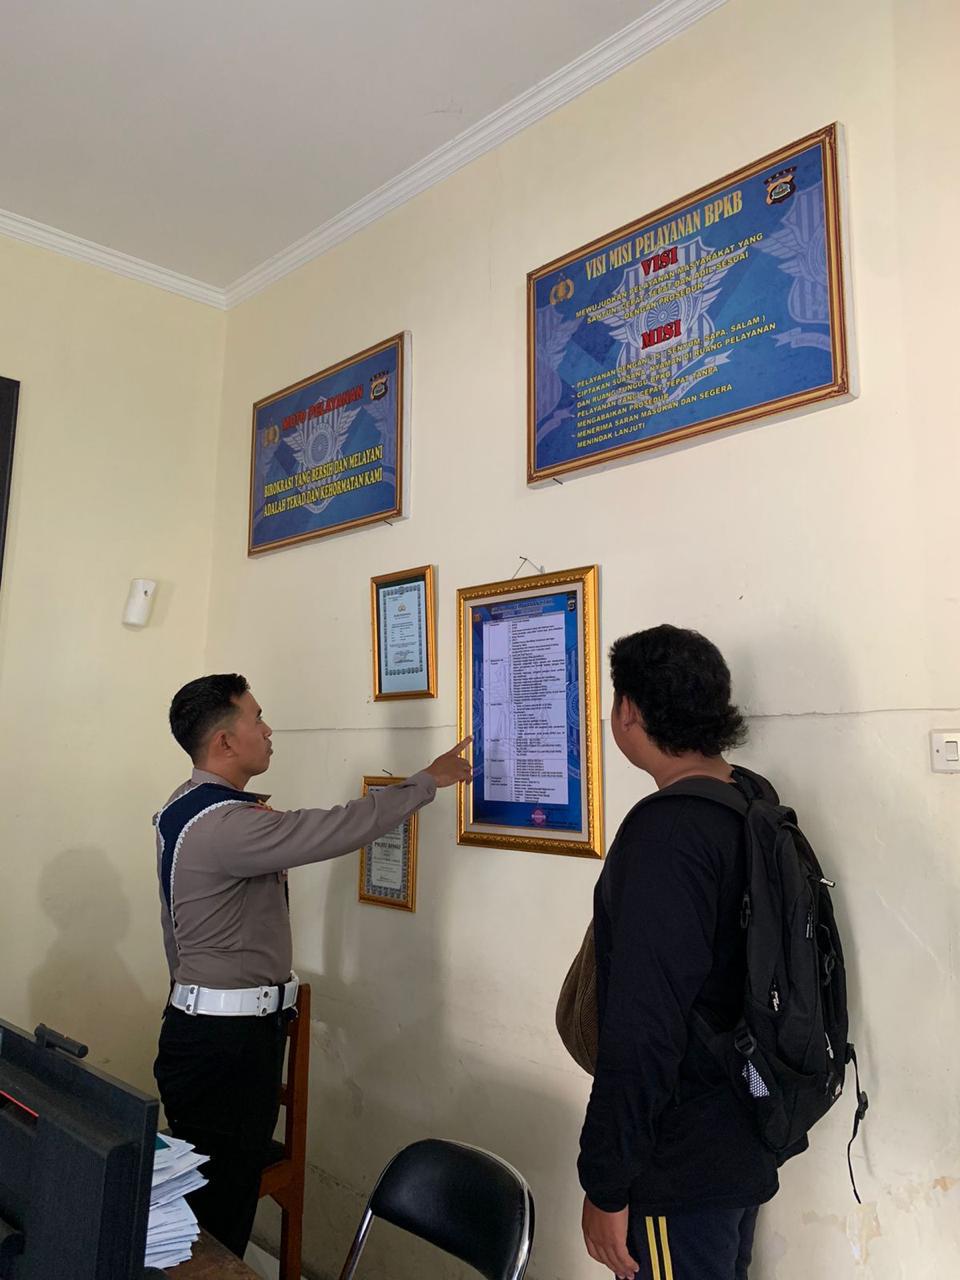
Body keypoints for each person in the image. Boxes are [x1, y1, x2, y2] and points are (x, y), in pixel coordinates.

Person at [152, 673, 471, 1258]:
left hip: (204, 1032)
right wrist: (426, 781)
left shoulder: (184, 806)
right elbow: (335, 827)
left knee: (211, 1205)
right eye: (256, 718)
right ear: (224, 742)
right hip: (225, 1048)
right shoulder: (228, 825)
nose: (268, 730)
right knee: (219, 1220)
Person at [578, 625, 780, 1280]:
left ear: (627, 711)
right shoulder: (750, 799)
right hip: (744, 1131)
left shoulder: (667, 834)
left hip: (680, 1165)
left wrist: (607, 1182)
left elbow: (643, 1030)